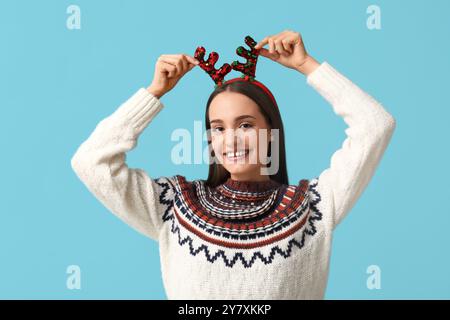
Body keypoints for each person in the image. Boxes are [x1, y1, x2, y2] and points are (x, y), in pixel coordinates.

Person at [71, 30, 396, 299]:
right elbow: (91, 161)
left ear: (271, 131)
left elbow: (375, 125)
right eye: (218, 128)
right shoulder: (174, 206)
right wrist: (154, 92)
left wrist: (308, 66)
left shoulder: (314, 208)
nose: (231, 140)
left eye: (245, 125)